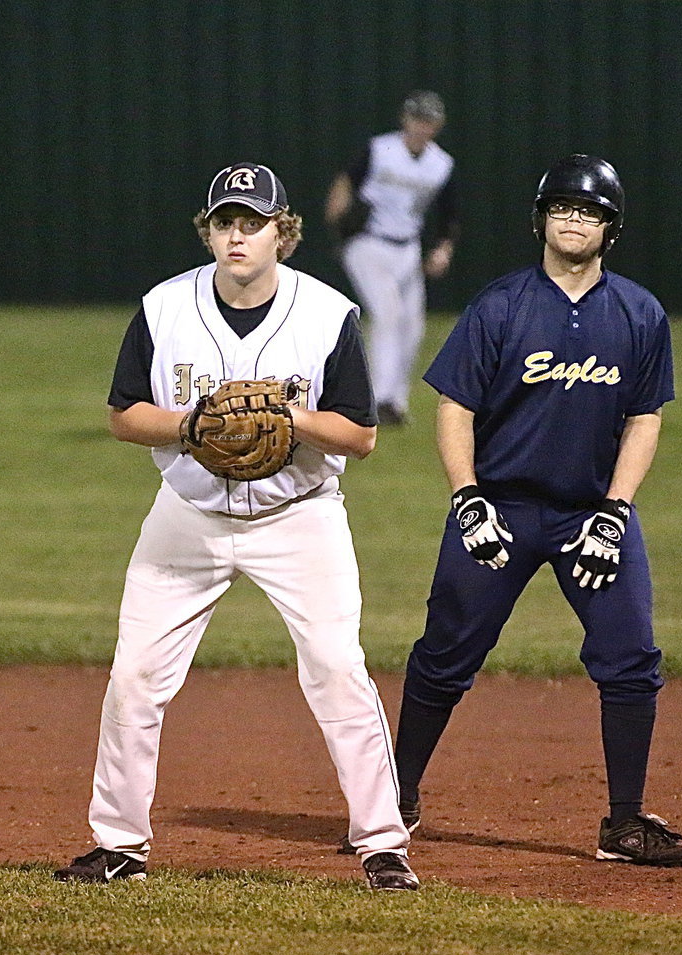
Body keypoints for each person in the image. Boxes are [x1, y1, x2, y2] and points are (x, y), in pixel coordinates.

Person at [54, 163, 419, 891]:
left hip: (300, 516)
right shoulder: (164, 308)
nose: (237, 235)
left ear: (283, 232)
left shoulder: (327, 315)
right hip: (187, 516)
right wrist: (192, 423)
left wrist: (289, 418)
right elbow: (125, 414)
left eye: (252, 222)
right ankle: (119, 845)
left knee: (337, 668)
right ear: (209, 230)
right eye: (225, 221)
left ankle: (383, 844)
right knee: (135, 675)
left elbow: (362, 435)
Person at [391, 154, 682, 867]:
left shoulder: (639, 312)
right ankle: (394, 798)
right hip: (497, 508)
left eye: (588, 210)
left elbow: (644, 418)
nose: (573, 217)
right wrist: (466, 498)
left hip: (589, 515)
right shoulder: (500, 305)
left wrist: (616, 511)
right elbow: (455, 406)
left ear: (609, 228)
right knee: (444, 656)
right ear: (540, 218)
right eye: (561, 206)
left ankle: (625, 822)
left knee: (630, 660)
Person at [324, 90, 459, 426]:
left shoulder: (440, 164)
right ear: (405, 119)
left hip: (407, 248)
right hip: (368, 243)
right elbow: (345, 183)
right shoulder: (381, 149)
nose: (421, 126)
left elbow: (449, 213)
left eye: (428, 121)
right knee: (388, 315)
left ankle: (395, 401)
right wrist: (338, 220)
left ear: (437, 125)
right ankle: (378, 400)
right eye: (416, 118)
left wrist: (443, 247)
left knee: (413, 326)